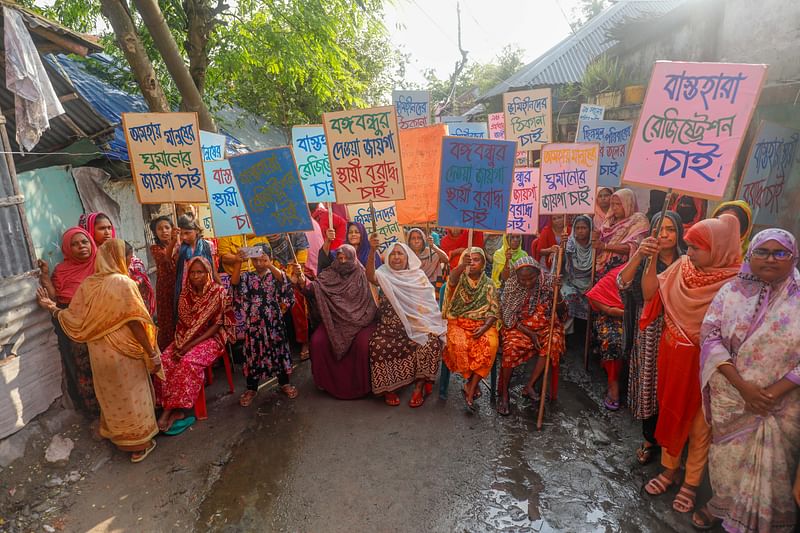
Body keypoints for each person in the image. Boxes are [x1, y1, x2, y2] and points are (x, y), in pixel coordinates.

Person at [693, 229, 800, 531]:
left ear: (794, 257)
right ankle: (721, 504)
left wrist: (774, 392)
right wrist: (743, 387)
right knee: (727, 458)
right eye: (762, 252)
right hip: (733, 395)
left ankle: (766, 520)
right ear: (749, 255)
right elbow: (710, 335)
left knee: (775, 467)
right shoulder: (730, 292)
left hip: (781, 404)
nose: (770, 259)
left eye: (780, 253)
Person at [641, 215, 741, 515]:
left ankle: (692, 483)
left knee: (700, 427)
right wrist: (650, 259)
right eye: (690, 246)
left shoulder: (737, 284)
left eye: (697, 247)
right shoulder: (681, 268)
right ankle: (670, 470)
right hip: (672, 360)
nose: (691, 253)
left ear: (719, 250)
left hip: (710, 370)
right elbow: (649, 294)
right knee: (671, 413)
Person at [36, 239, 162, 462]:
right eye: (128, 258)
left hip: (98, 351)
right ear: (118, 259)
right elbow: (135, 323)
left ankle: (119, 439)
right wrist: (151, 351)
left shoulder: (88, 284)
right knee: (134, 396)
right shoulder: (124, 283)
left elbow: (73, 318)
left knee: (112, 396)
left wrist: (51, 307)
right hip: (124, 352)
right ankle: (140, 444)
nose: (130, 263)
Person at [617, 211, 685, 465]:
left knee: (671, 388)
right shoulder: (645, 258)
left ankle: (673, 443)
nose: (664, 234)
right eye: (659, 229)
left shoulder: (688, 260)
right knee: (649, 387)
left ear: (679, 233)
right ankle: (649, 439)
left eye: (670, 229)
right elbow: (623, 283)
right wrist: (641, 255)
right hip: (649, 333)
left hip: (678, 331)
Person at [155, 257, 233, 432]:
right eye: (192, 272)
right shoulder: (185, 293)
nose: (196, 276)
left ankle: (171, 411)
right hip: (184, 337)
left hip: (212, 338)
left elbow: (217, 325)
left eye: (200, 272)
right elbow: (183, 324)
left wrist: (188, 347)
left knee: (187, 362)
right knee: (165, 360)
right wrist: (181, 344)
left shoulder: (217, 292)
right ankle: (166, 403)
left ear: (208, 273)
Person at [366, 238, 446, 407]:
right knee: (378, 346)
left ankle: (419, 386)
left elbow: (428, 306)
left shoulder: (418, 277)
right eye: (393, 254)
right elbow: (370, 276)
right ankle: (389, 389)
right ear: (387, 258)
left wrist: (424, 325)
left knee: (430, 343)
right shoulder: (383, 274)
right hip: (389, 329)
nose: (396, 257)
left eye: (400, 254)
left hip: (416, 325)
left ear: (407, 257)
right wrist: (372, 250)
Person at [293, 244, 378, 399]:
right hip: (334, 321)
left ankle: (362, 386)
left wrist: (357, 320)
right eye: (340, 258)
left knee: (363, 345)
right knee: (318, 341)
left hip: (360, 321)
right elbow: (312, 290)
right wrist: (301, 279)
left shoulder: (362, 275)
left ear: (353, 258)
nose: (343, 261)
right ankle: (324, 383)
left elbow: (371, 303)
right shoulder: (329, 274)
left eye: (346, 257)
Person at [37, 227, 99, 414]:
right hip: (73, 325)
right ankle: (95, 413)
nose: (81, 246)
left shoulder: (102, 264)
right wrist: (45, 276)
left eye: (84, 242)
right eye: (75, 244)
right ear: (67, 248)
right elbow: (56, 298)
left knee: (105, 367)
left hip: (101, 323)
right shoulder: (62, 270)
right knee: (84, 369)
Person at [231, 245, 298, 407]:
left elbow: (285, 282)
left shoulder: (275, 273)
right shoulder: (247, 276)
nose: (259, 263)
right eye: (256, 259)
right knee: (253, 354)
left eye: (263, 259)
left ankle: (284, 383)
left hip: (274, 322)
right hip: (253, 323)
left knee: (278, 350)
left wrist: (269, 265)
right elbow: (235, 284)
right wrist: (239, 262)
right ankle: (251, 388)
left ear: (269, 258)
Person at [498, 256, 565, 416]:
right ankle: (504, 393)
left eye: (531, 278)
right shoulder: (511, 286)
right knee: (511, 349)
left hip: (544, 326)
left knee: (552, 341)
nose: (527, 283)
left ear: (538, 273)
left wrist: (558, 292)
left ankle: (530, 385)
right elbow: (508, 319)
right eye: (523, 279)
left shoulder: (548, 283)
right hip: (518, 328)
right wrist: (531, 334)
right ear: (517, 277)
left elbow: (561, 312)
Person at [442, 247, 499, 411]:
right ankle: (471, 382)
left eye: (476, 260)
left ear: (483, 263)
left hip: (483, 324)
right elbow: (451, 280)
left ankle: (471, 387)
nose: (472, 263)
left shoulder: (489, 284)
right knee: (459, 345)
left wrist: (484, 328)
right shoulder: (459, 279)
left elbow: (493, 310)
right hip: (458, 323)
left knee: (491, 344)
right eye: (469, 259)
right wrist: (461, 267)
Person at [79, 211, 155, 315]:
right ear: (89, 230)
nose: (107, 232)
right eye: (102, 228)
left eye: (109, 228)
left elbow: (137, 269)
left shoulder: (120, 249)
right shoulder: (85, 258)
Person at [586, 264, 626, 410]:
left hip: (646, 318)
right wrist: (619, 311)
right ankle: (613, 384)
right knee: (612, 341)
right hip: (614, 315)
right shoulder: (622, 272)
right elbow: (596, 295)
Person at [267, 233, 311, 359]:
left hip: (297, 273)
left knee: (296, 298)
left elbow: (301, 260)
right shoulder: (265, 232)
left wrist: (294, 276)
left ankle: (304, 341)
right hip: (275, 273)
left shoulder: (297, 233)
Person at [594, 189, 650, 274]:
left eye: (618, 204)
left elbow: (634, 247)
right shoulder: (608, 221)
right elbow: (599, 241)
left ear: (628, 204)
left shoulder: (638, 220)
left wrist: (605, 246)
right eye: (612, 204)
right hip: (603, 268)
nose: (614, 208)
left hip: (624, 269)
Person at [174, 215, 215, 318]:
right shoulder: (179, 248)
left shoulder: (208, 245)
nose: (184, 237)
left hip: (204, 289)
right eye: (182, 234)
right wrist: (173, 240)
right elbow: (169, 260)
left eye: (187, 233)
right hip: (185, 290)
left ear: (196, 230)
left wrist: (220, 288)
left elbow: (213, 270)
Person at [149, 216, 179, 350]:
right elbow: (166, 258)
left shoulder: (180, 244)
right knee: (168, 319)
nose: (164, 231)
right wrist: (173, 241)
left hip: (180, 285)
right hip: (165, 288)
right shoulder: (155, 248)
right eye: (160, 229)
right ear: (155, 233)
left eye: (167, 227)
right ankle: (168, 351)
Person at [561, 215, 594, 324]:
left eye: (584, 228)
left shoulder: (595, 246)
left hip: (590, 282)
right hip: (571, 282)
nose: (580, 231)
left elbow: (599, 267)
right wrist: (562, 247)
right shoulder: (569, 243)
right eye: (578, 228)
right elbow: (561, 264)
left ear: (590, 229)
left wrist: (592, 284)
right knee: (568, 295)